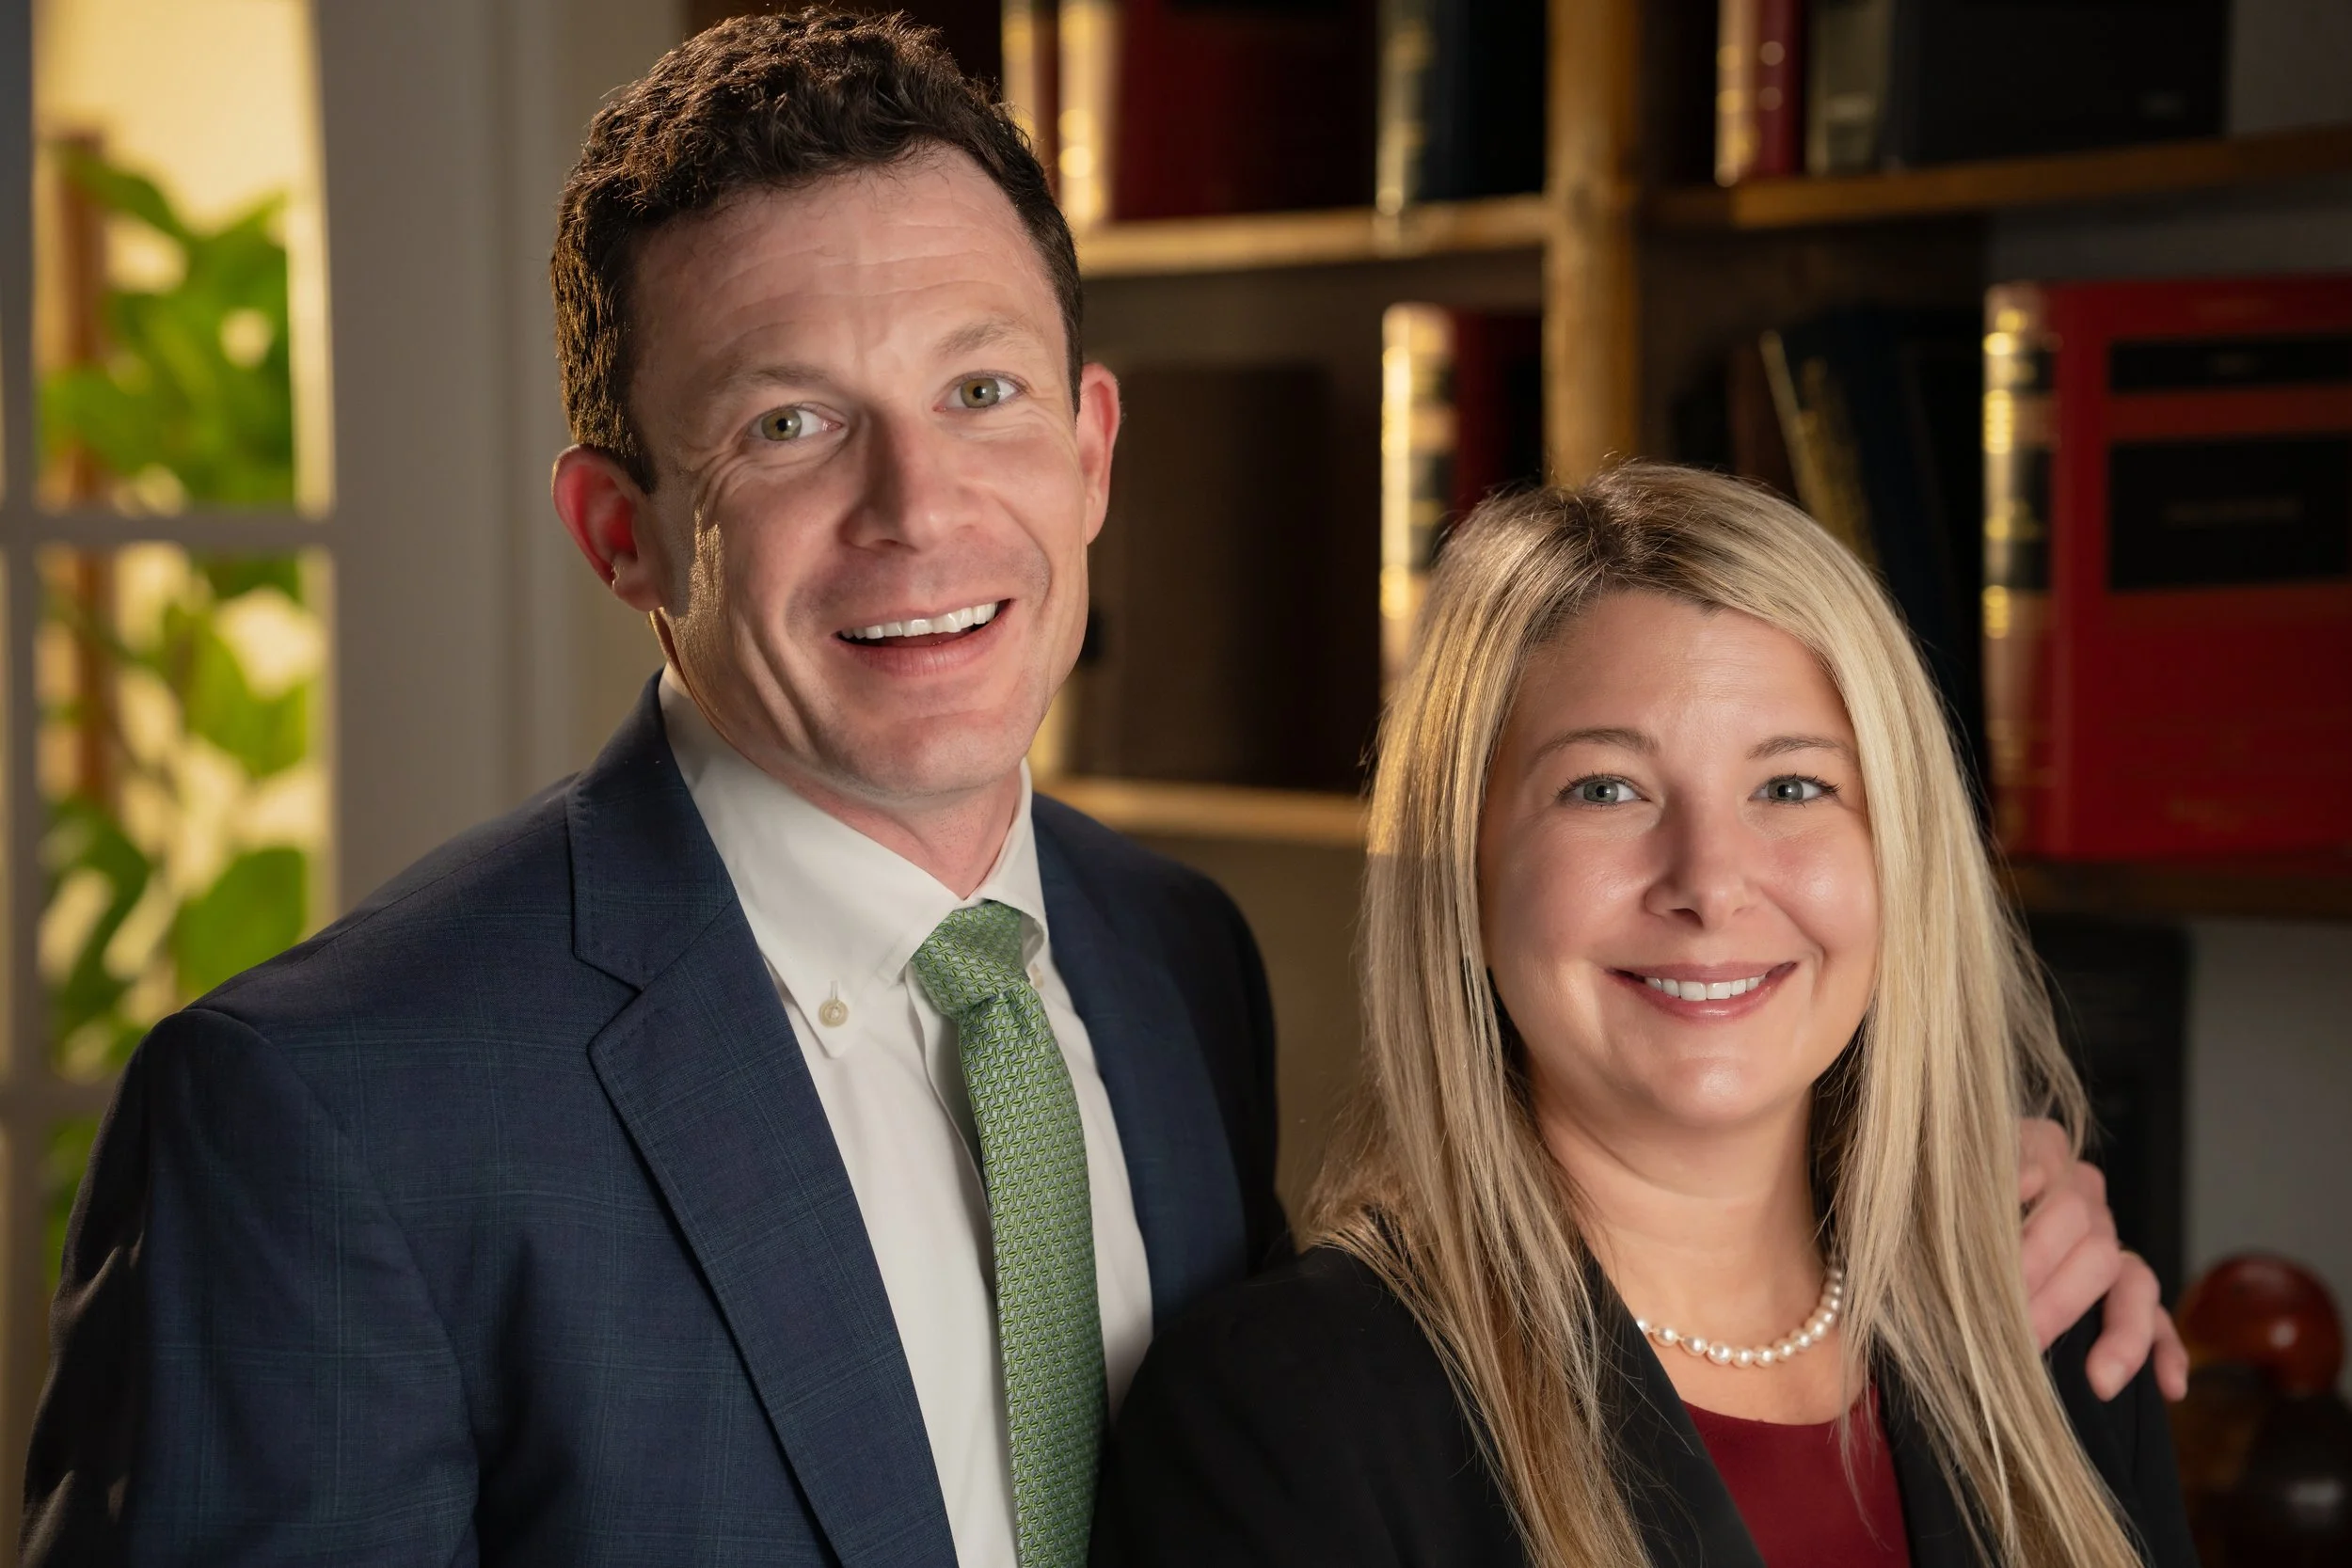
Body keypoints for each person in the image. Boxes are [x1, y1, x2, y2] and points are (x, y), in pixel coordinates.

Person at [23, 15, 2166, 1567]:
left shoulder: (1171, 963)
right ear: (615, 527)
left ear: (1094, 446)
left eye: (980, 392)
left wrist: (1947, 1194)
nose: (917, 508)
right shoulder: (331, 1107)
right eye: (787, 425)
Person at [1094, 464, 2197, 1568]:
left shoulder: (2060, 1343)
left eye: (1794, 786)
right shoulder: (1282, 1418)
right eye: (1605, 789)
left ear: (1899, 855)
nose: (1710, 882)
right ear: (1461, 878)